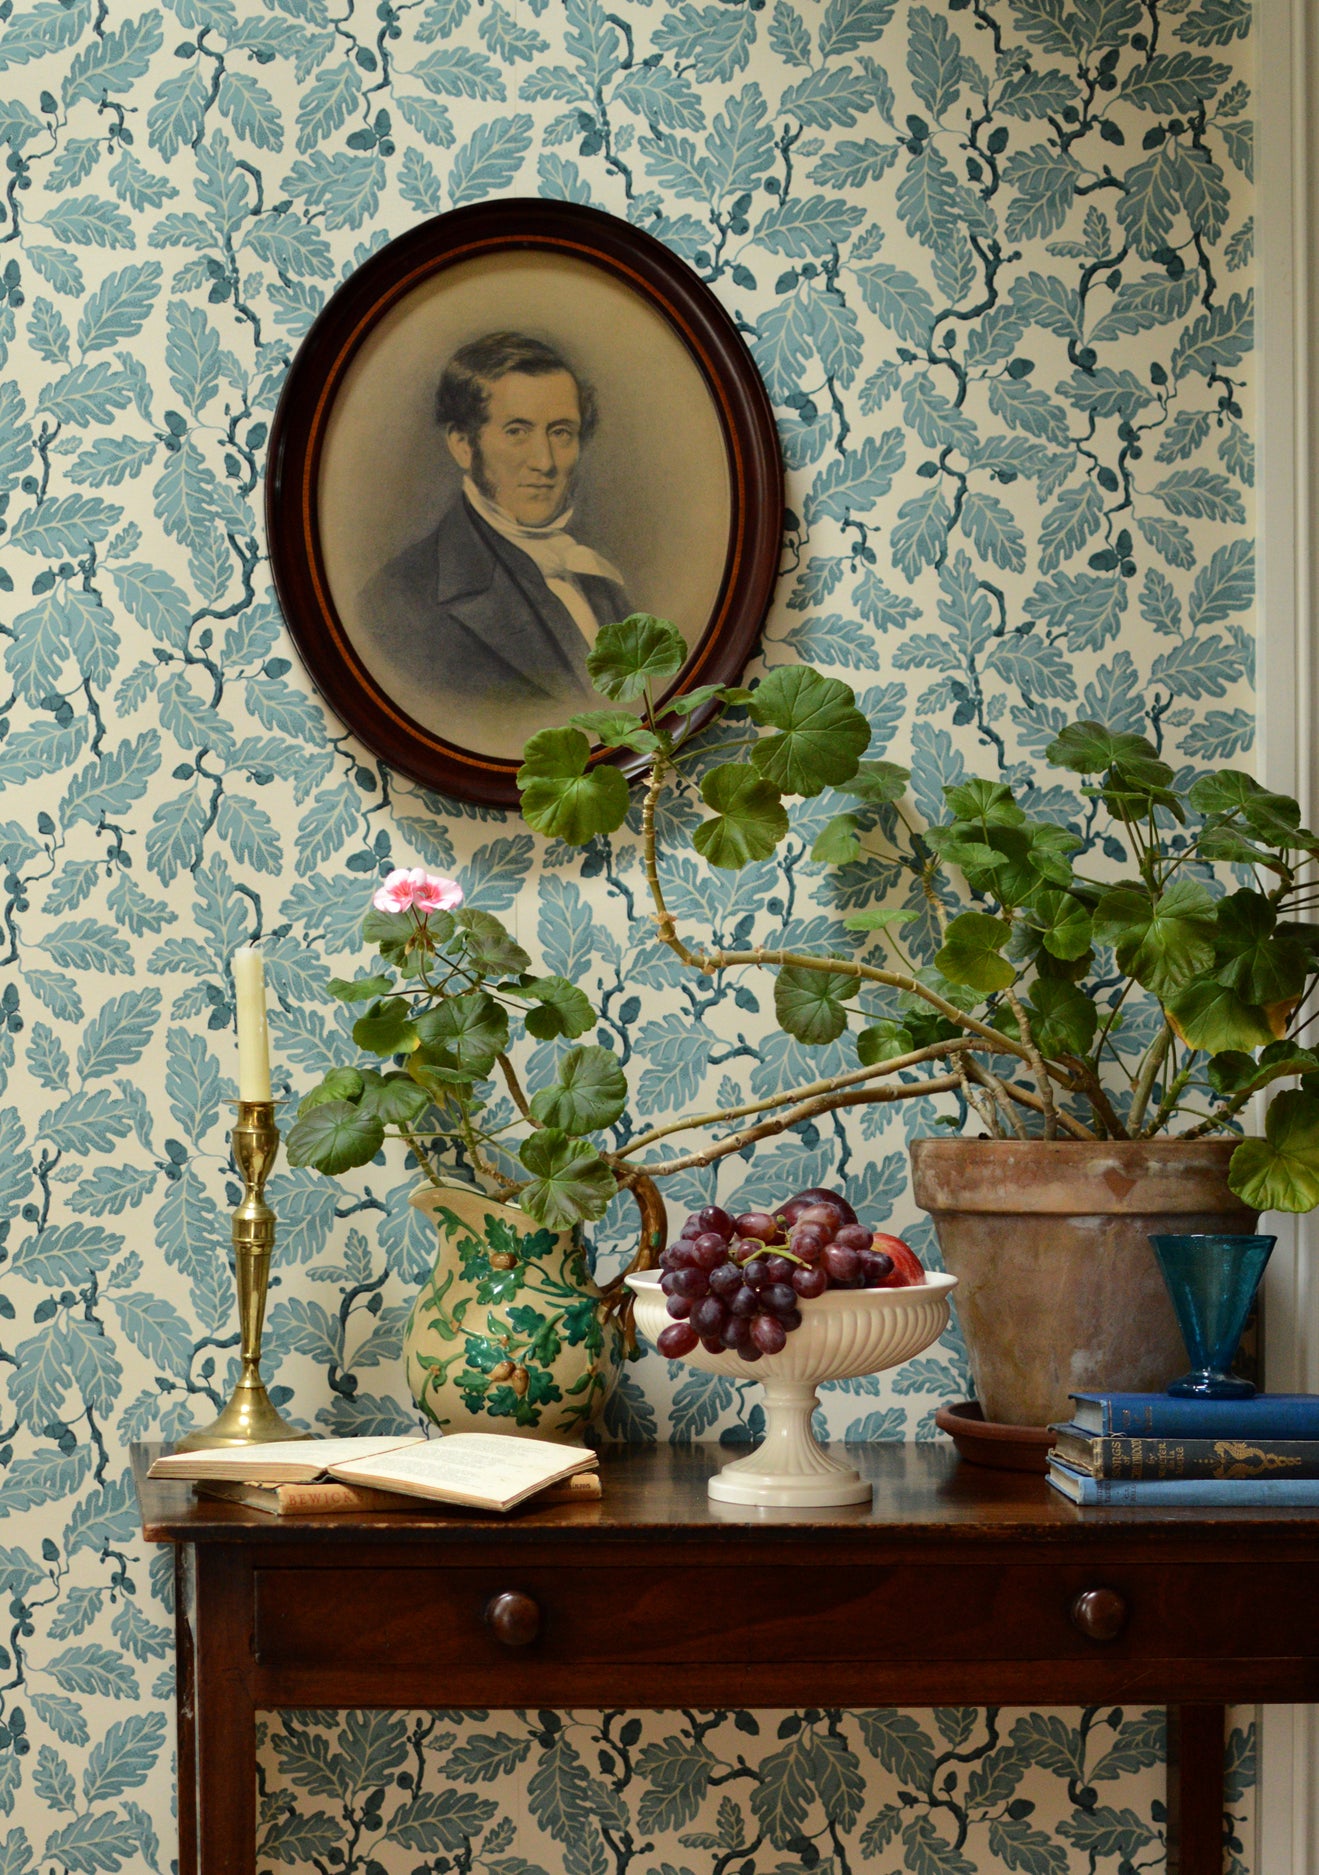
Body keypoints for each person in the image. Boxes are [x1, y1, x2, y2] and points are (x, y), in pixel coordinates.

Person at [362, 332, 632, 710]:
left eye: (561, 432)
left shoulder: (601, 581)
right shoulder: (399, 600)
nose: (544, 462)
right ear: (463, 445)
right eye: (516, 432)